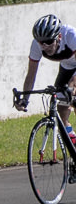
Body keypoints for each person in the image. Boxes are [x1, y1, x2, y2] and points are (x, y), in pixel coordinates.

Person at [16, 14, 76, 143]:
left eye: (49, 42)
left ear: (59, 37)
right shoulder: (37, 45)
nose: (45, 46)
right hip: (67, 66)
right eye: (41, 43)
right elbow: (31, 75)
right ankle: (72, 140)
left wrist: (72, 86)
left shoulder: (71, 36)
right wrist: (25, 99)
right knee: (61, 105)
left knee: (73, 93)